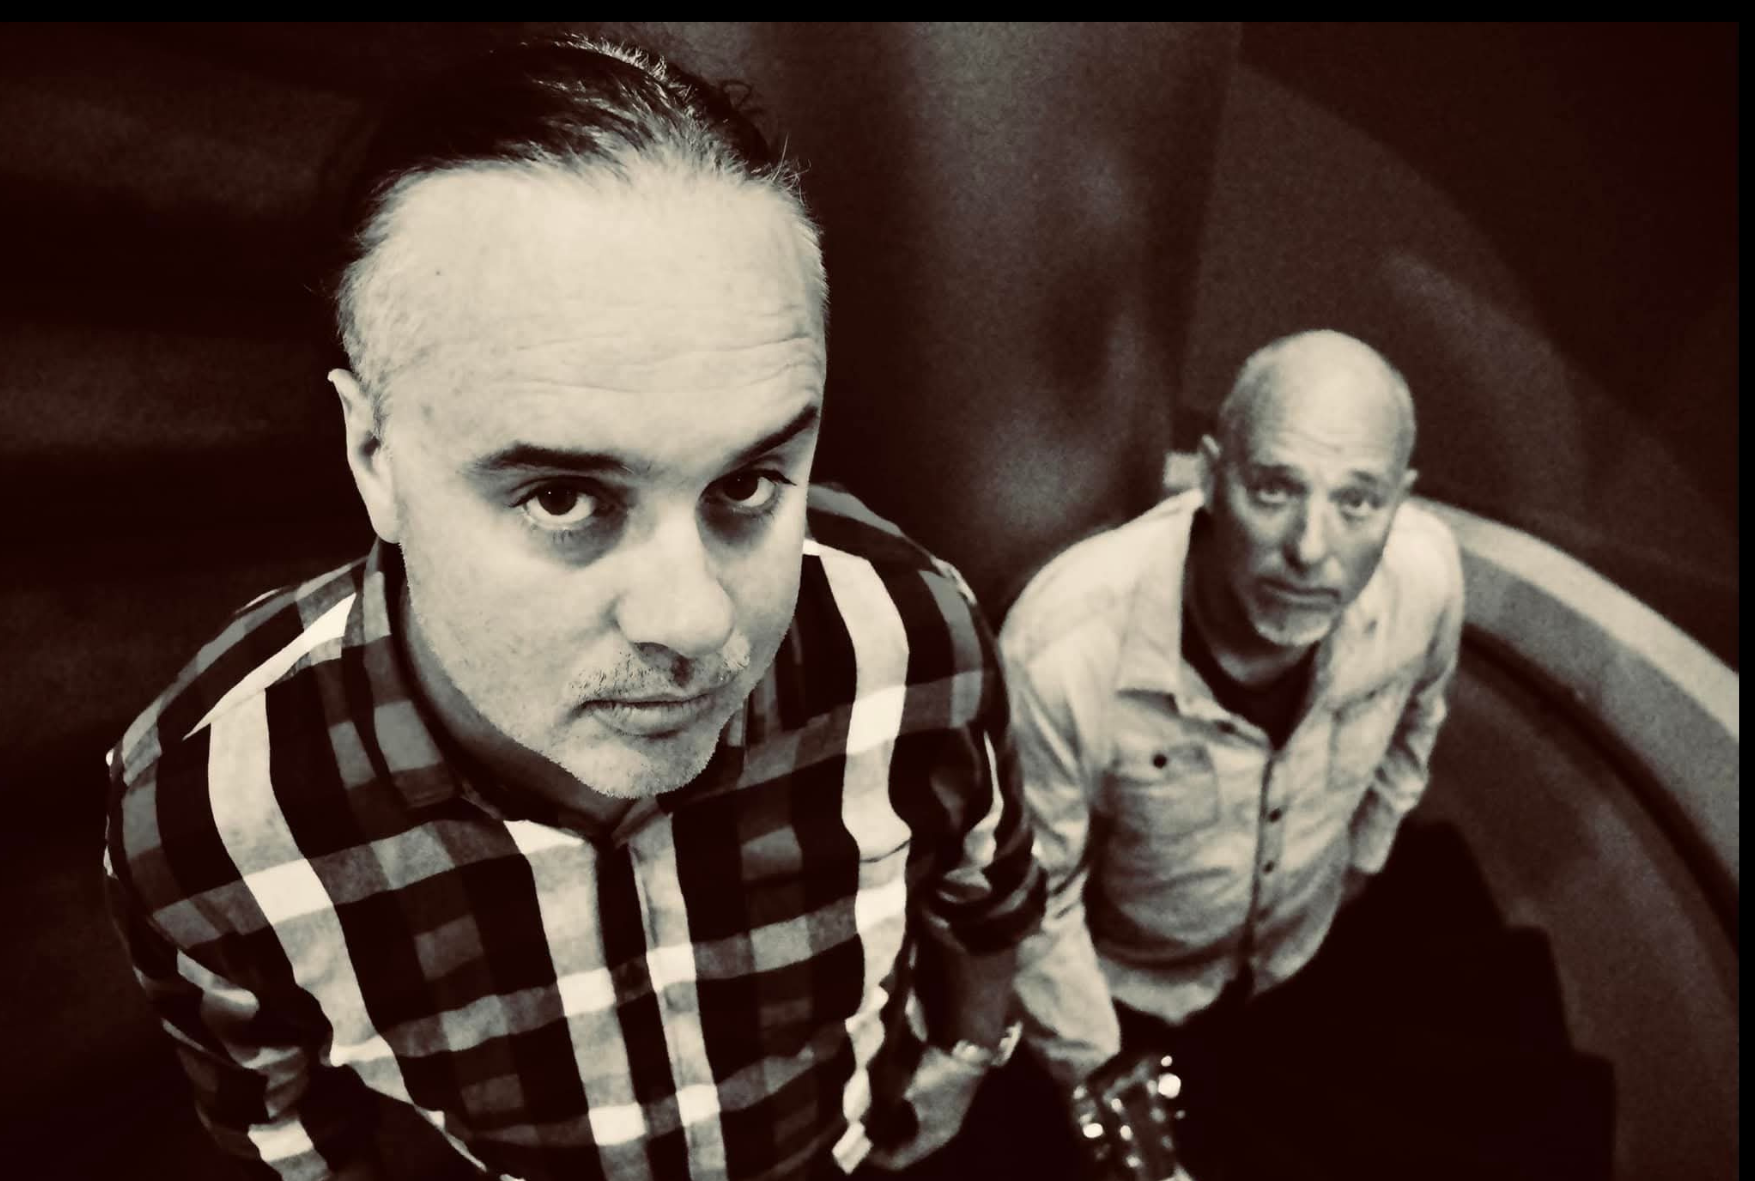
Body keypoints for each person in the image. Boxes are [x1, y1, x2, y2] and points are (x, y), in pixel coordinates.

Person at [103, 36, 1042, 1181]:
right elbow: (274, 1110)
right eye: (562, 496)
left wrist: (964, 1048)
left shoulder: (912, 640)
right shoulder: (206, 815)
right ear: (372, 453)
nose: (694, 621)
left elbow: (987, 888)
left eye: (746, 482)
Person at [1001, 330, 1465, 1178]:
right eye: (1276, 488)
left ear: (1399, 501)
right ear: (1212, 476)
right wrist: (1112, 1093)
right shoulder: (1065, 650)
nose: (1311, 548)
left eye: (1358, 501)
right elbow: (1036, 900)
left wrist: (1362, 864)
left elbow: (1417, 721)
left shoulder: (1427, 576)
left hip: (1310, 956)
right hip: (1126, 999)